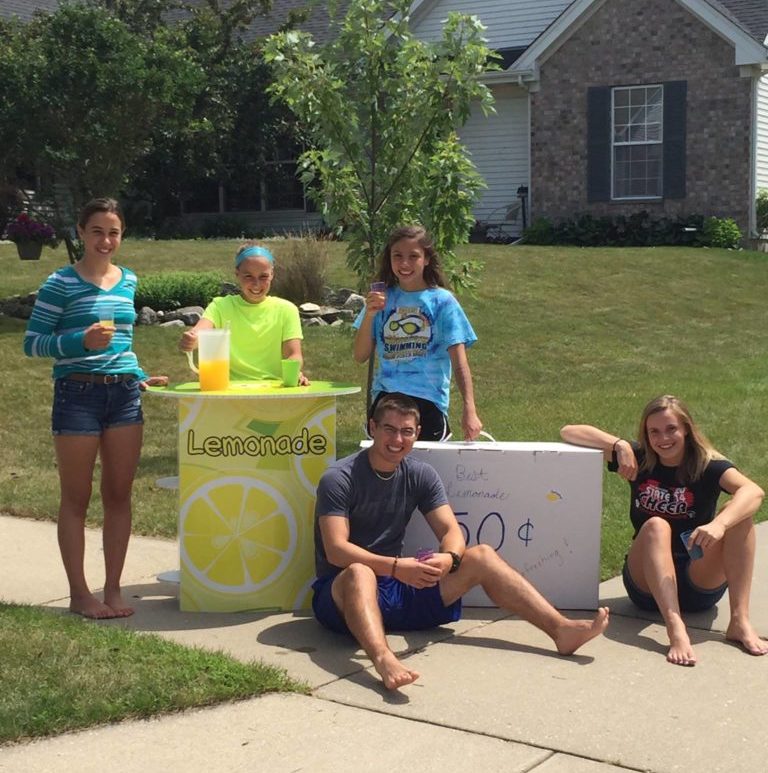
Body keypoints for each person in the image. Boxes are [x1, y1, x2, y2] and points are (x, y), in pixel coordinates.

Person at [312, 393, 609, 690]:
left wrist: (449, 558)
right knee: (359, 572)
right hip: (341, 596)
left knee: (481, 555)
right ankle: (383, 659)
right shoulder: (340, 478)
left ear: (417, 433)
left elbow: (452, 533)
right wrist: (395, 567)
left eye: (406, 431)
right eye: (389, 429)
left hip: (395, 589)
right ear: (372, 427)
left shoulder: (420, 474)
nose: (397, 439)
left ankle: (561, 630)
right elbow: (336, 550)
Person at [23, 197, 167, 620]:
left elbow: (122, 340)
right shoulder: (59, 284)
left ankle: (114, 590)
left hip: (123, 393)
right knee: (77, 496)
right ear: (81, 233)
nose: (106, 240)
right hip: (77, 395)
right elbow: (32, 343)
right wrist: (77, 342)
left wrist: (137, 372)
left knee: (119, 495)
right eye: (98, 231)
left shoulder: (128, 280)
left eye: (114, 232)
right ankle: (80, 594)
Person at [561, 395, 766, 666]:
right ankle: (675, 626)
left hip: (697, 577)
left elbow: (753, 491)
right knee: (657, 524)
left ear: (687, 430)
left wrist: (719, 524)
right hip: (646, 582)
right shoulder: (640, 459)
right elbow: (569, 432)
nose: (663, 439)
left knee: (741, 517)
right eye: (653, 431)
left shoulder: (707, 464)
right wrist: (618, 444)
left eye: (671, 429)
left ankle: (739, 621)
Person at [353, 225, 482, 441]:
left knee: (423, 471)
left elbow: (459, 363)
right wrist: (370, 315)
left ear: (427, 259)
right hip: (387, 401)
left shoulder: (442, 302)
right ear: (389, 259)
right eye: (398, 256)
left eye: (413, 256)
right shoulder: (380, 299)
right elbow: (360, 355)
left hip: (427, 402)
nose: (404, 264)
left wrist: (470, 410)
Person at [179, 241, 308, 385]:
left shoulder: (287, 310)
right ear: (237, 274)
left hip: (274, 389)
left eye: (263, 276)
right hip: (228, 390)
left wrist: (294, 372)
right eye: (248, 276)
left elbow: (294, 354)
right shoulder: (220, 306)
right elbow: (200, 331)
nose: (256, 284)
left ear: (272, 274)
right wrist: (192, 339)